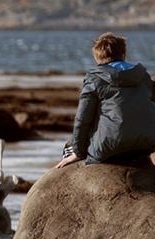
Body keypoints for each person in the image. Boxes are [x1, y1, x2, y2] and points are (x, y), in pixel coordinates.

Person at [55, 32, 155, 169]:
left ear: (97, 57)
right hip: (147, 144)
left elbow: (82, 119)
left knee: (69, 146)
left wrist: (78, 152)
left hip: (110, 150)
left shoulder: (95, 79)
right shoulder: (143, 76)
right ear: (123, 53)